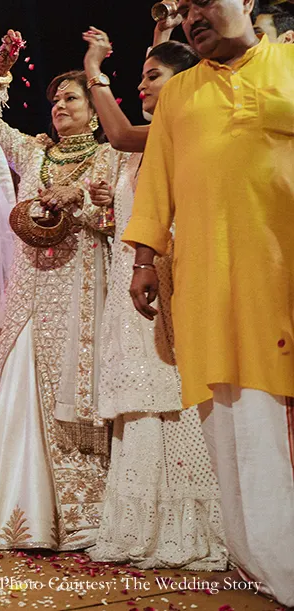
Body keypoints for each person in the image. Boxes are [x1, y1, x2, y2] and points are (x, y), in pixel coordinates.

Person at [122, 0, 294, 604]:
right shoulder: (179, 93)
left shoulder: (289, 65)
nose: (194, 16)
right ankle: (266, 562)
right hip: (208, 279)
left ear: (247, 3)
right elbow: (157, 181)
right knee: (229, 417)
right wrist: (144, 259)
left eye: (206, 2)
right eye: (186, 8)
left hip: (281, 272)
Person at [0, 31, 127, 551]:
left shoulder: (111, 157)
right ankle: (10, 512)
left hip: (81, 291)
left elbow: (117, 222)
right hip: (30, 291)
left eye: (70, 98)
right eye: (54, 100)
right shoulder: (34, 153)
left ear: (94, 111)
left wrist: (85, 202)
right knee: (20, 382)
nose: (59, 107)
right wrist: (0, 72)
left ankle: (80, 513)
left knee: (76, 388)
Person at [81, 27, 226, 570]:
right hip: (137, 274)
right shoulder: (151, 142)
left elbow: (118, 133)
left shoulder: (180, 124)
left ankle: (193, 527)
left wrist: (94, 70)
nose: (141, 86)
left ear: (184, 81)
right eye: (140, 77)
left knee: (174, 395)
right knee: (143, 401)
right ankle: (142, 523)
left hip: (167, 273)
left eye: (153, 76)